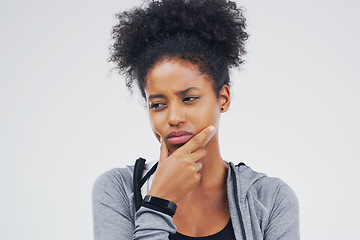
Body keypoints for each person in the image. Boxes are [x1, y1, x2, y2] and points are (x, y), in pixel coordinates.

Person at [92, 0, 300, 239]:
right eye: (158, 104)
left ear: (222, 98)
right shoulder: (117, 190)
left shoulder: (271, 199)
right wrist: (159, 202)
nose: (174, 118)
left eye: (189, 98)